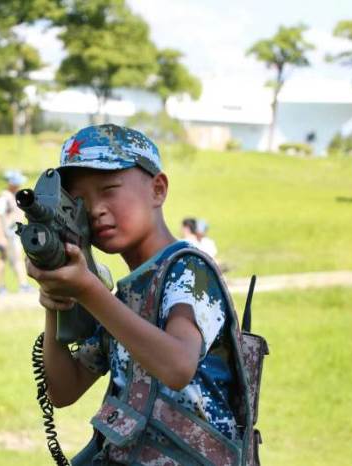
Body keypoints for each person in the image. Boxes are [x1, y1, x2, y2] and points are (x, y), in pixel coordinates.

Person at [26, 124, 251, 464]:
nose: (96, 209)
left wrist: (88, 291)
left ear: (157, 189)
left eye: (110, 189)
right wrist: (56, 299)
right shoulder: (125, 295)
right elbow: (63, 389)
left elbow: (178, 366)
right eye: (81, 200)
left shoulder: (188, 270)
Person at [0, 170, 32, 294]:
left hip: (11, 232)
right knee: (10, 258)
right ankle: (15, 285)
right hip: (7, 233)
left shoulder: (12, 195)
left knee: (12, 258)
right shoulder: (5, 197)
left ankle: (18, 285)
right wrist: (0, 236)